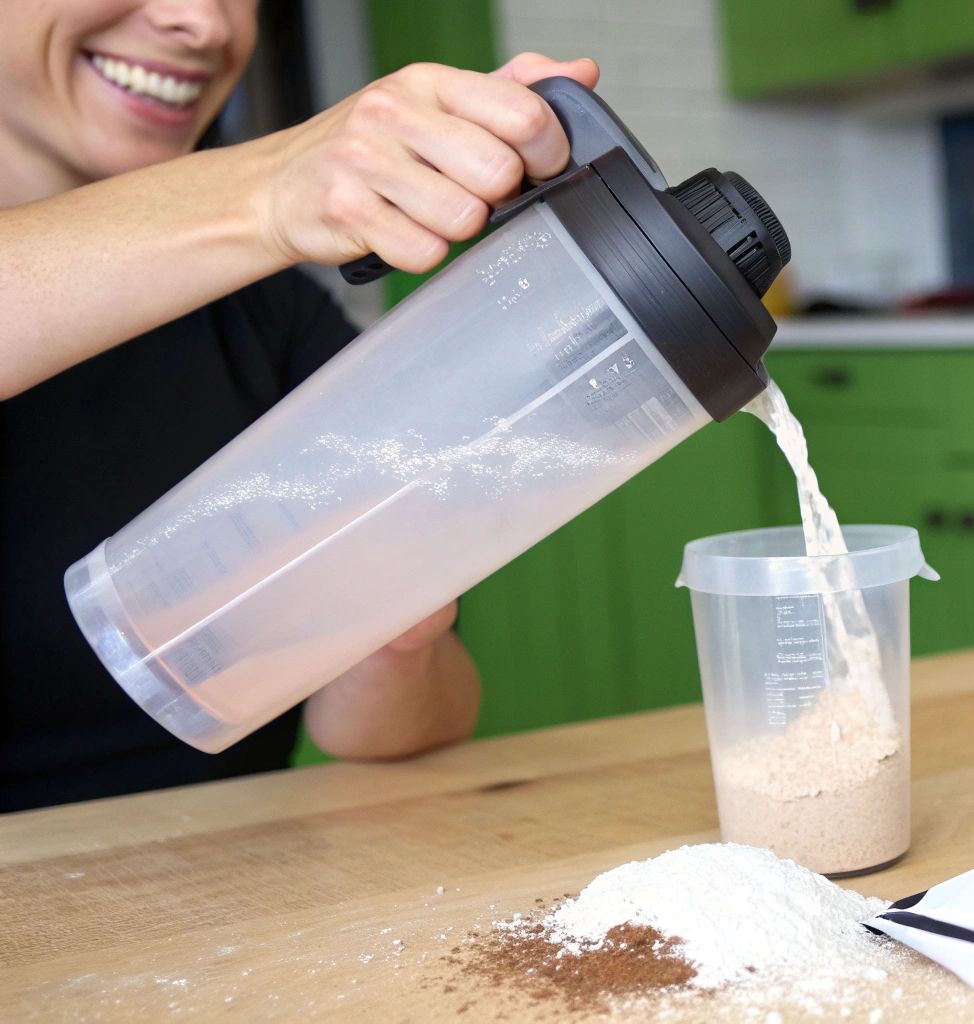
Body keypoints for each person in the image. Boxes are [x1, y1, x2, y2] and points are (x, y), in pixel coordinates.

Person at [0, 0, 601, 811]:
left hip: (220, 887)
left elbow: (401, 730)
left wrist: (394, 634)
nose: (204, 22)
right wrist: (272, 189)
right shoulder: (263, 222)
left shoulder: (268, 314)